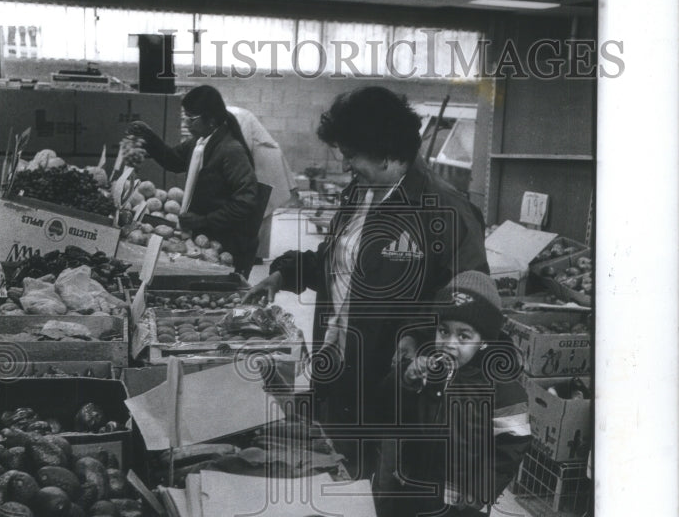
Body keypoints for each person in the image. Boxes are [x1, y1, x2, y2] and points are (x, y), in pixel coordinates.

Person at [243, 86, 489, 476]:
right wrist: (283, 273)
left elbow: (471, 301)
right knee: (334, 467)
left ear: (388, 151)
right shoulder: (361, 193)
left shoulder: (446, 210)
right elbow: (337, 259)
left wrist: (418, 336)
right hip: (338, 365)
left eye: (352, 154)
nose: (344, 165)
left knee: (379, 486)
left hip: (392, 379)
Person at [373, 271, 531, 517]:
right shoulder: (427, 367)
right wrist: (406, 380)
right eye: (443, 330)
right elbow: (387, 410)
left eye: (464, 335)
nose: (449, 342)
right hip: (412, 494)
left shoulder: (501, 386)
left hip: (461, 511)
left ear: (484, 340)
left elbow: (513, 442)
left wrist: (479, 490)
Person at [126, 85, 262, 276]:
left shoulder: (231, 150)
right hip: (201, 235)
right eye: (185, 117)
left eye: (191, 119)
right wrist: (148, 136)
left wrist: (204, 221)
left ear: (212, 120)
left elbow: (246, 201)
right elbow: (173, 160)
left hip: (223, 243)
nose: (186, 124)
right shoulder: (199, 143)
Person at [227, 105, 299, 263]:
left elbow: (242, 145)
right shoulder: (229, 113)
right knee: (258, 206)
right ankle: (254, 252)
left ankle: (255, 253)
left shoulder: (236, 115)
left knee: (261, 205)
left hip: (264, 162)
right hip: (259, 158)